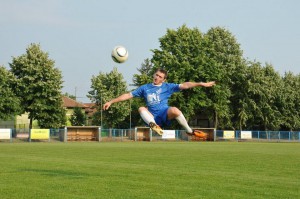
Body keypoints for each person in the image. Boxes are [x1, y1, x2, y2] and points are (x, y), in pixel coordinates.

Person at [103, 68, 216, 137]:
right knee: (141, 108)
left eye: (160, 76)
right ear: (154, 75)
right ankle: (155, 126)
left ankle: (189, 131)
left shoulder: (168, 86)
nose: (157, 77)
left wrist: (201, 83)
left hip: (164, 113)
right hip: (152, 116)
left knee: (175, 110)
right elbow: (128, 95)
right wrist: (111, 101)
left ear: (164, 79)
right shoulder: (145, 88)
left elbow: (185, 85)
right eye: (156, 75)